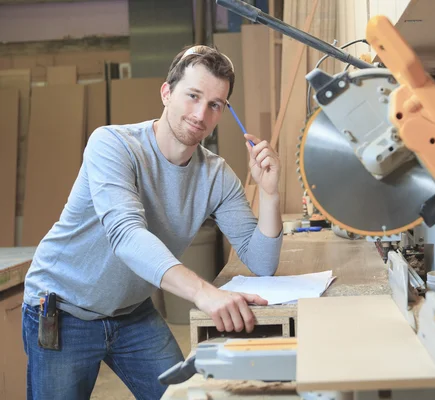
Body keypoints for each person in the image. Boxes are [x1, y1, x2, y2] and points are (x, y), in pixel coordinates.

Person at [21, 44, 283, 399]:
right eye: (192, 95)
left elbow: (262, 262)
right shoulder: (113, 145)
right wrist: (205, 293)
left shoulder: (216, 175)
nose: (200, 113)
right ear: (166, 92)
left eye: (214, 104)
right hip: (62, 309)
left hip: (130, 311)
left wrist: (269, 193)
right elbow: (128, 236)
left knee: (183, 395)